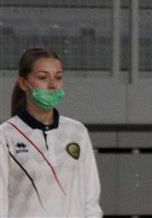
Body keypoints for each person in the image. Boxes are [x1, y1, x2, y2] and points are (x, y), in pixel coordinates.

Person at [2, 47, 103, 218]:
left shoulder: (77, 132)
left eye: (58, 77)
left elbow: (91, 201)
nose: (53, 85)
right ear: (23, 83)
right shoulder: (6, 135)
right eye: (43, 77)